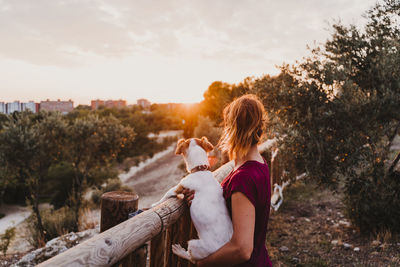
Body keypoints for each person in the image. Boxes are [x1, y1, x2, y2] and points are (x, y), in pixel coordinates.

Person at [183, 94, 272, 266]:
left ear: (233, 128)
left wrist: (203, 264)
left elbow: (242, 249)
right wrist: (200, 199)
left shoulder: (243, 178)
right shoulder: (260, 164)